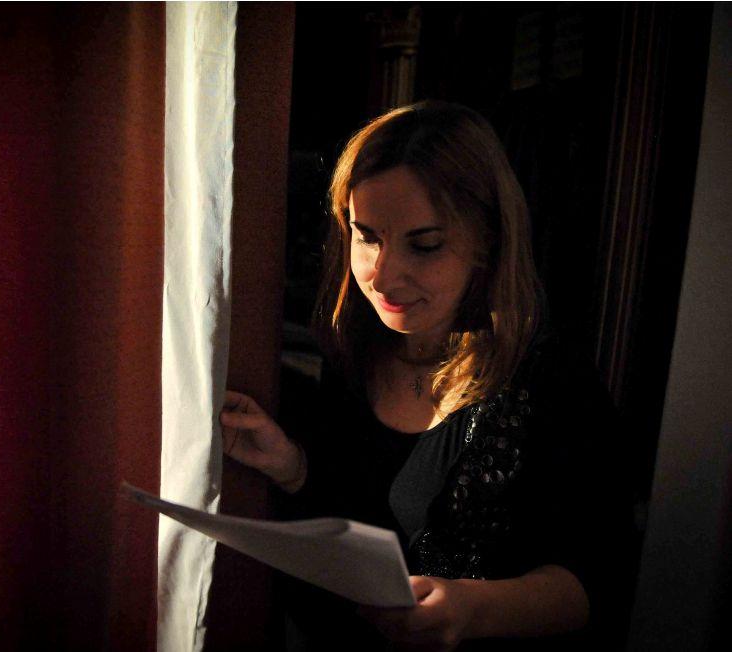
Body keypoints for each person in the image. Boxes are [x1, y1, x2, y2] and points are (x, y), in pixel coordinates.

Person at [220, 101, 633, 650]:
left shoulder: (549, 378)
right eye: (367, 237)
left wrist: (472, 609)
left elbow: (599, 579)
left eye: (425, 244)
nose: (383, 275)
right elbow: (361, 521)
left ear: (486, 241)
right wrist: (292, 467)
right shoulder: (356, 351)